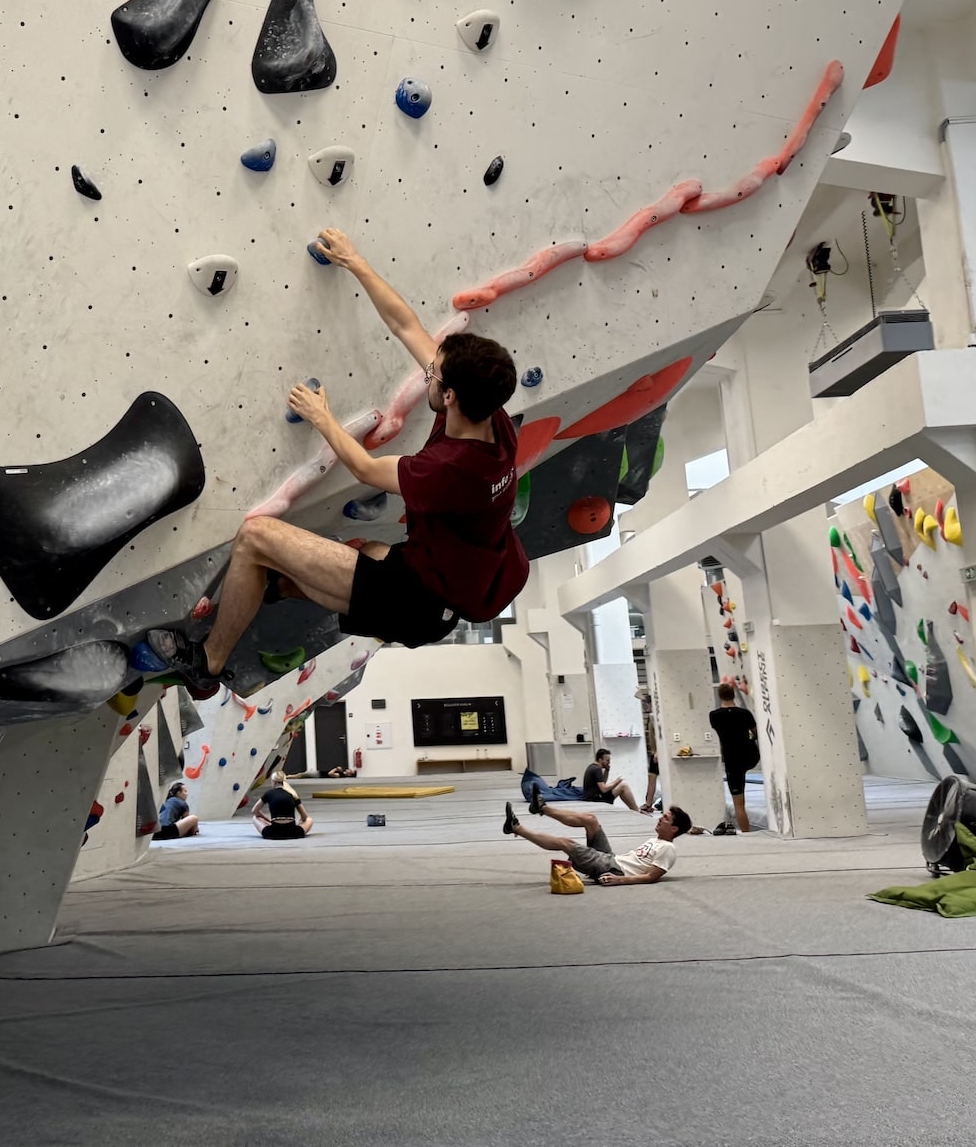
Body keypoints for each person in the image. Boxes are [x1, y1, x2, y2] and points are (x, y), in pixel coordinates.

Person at [148, 228, 529, 694]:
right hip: (440, 587)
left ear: (448, 396)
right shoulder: (492, 419)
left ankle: (206, 666)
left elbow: (367, 469)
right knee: (364, 551)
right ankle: (277, 586)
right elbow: (407, 326)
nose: (426, 371)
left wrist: (322, 417)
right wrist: (355, 262)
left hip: (413, 598)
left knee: (254, 537)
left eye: (433, 374)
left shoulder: (448, 469)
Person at [503, 789, 689, 885]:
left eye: (665, 818)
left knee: (565, 843)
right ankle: (542, 808)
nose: (660, 819)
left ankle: (516, 828)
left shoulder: (668, 849)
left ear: (674, 829)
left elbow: (650, 877)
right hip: (612, 859)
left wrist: (619, 880)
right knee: (591, 820)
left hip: (613, 869)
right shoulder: (655, 840)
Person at [708, 680, 759, 833]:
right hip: (750, 754)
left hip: (732, 759)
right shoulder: (745, 713)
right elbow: (756, 733)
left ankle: (746, 833)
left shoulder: (714, 716)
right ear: (734, 694)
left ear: (719, 695)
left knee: (738, 804)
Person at [253, 770, 315, 840]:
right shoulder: (293, 794)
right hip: (293, 832)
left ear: (273, 781)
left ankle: (273, 824)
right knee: (309, 819)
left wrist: (265, 818)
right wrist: (300, 822)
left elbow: (254, 811)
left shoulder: (269, 793)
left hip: (273, 833)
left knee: (255, 818)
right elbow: (305, 816)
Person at [580, 748, 644, 811]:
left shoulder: (592, 767)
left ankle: (634, 809)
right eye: (607, 760)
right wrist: (617, 781)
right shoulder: (597, 769)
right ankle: (636, 810)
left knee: (622, 787)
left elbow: (603, 783)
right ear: (600, 759)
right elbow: (604, 789)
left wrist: (607, 771)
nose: (609, 762)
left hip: (595, 796)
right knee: (623, 785)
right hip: (596, 799)